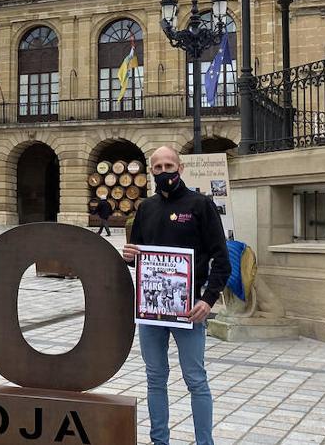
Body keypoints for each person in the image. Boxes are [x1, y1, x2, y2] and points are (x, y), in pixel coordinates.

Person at [122, 146, 230, 445]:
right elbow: (139, 254)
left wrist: (208, 299)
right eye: (158, 167)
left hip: (190, 309)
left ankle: (204, 442)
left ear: (180, 169)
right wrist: (130, 257)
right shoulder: (146, 208)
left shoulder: (201, 205)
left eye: (169, 166)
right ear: (151, 171)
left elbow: (222, 259)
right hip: (151, 310)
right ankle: (160, 441)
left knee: (196, 379)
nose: (164, 172)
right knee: (155, 378)